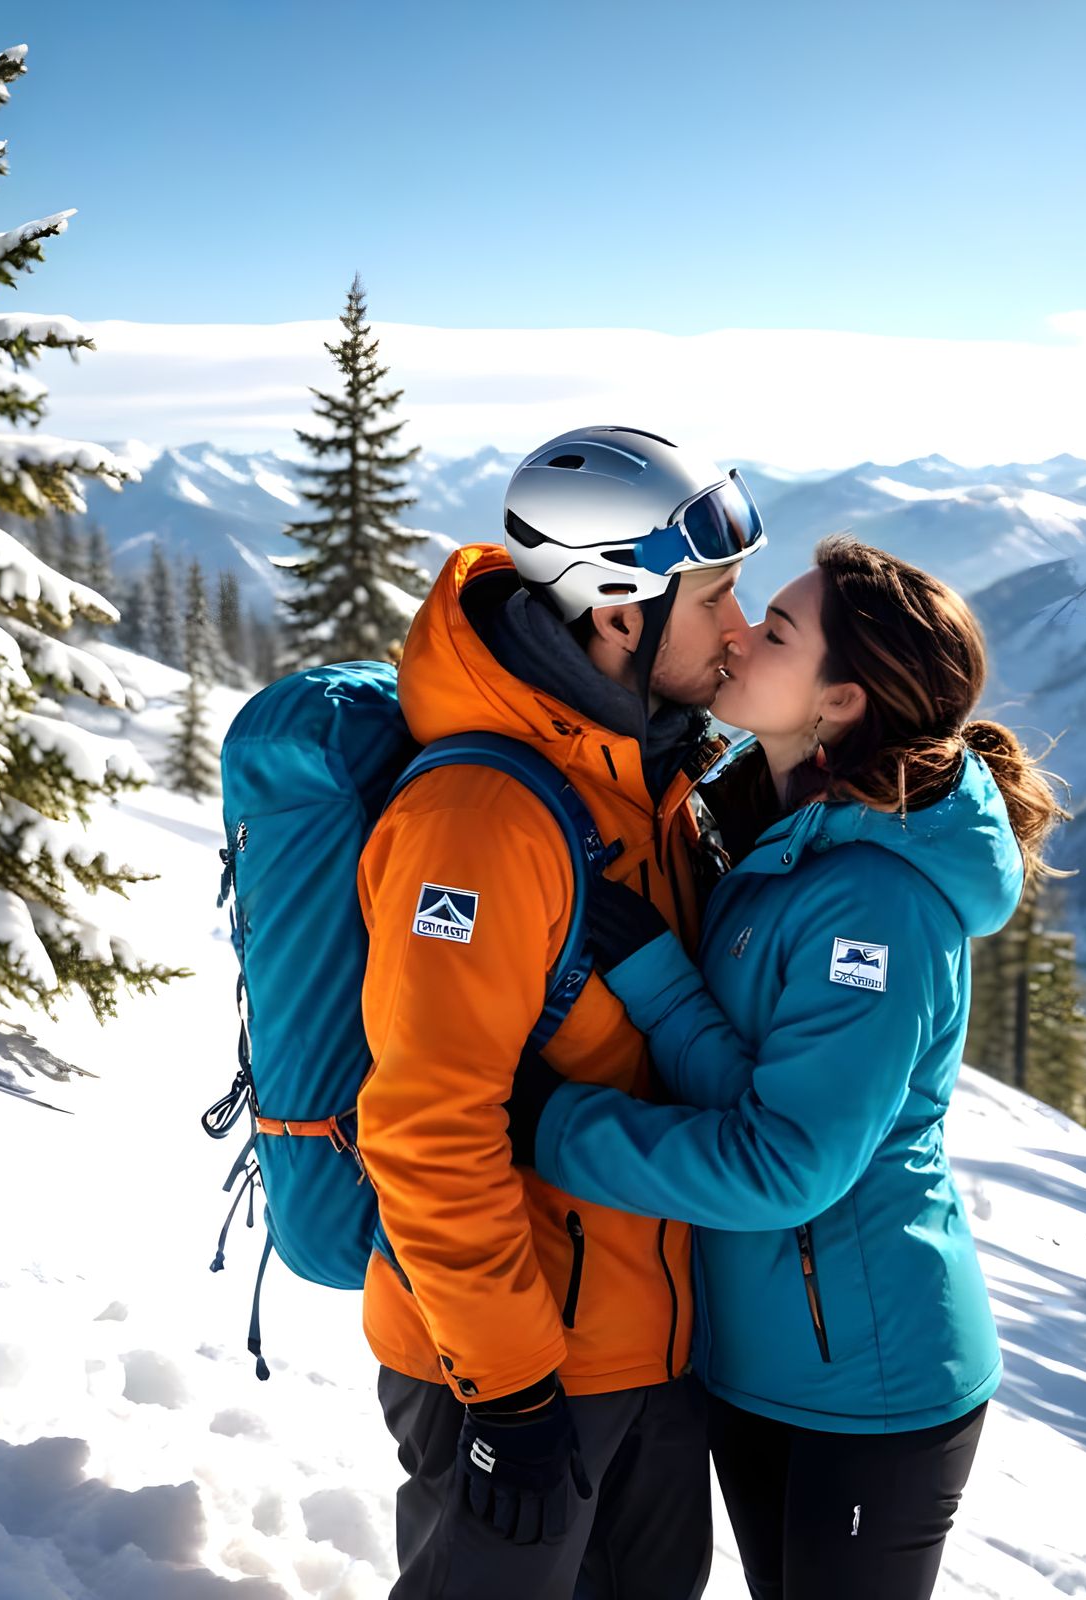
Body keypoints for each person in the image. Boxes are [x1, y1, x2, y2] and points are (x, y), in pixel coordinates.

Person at [506, 535, 1068, 1600]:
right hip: (766, 1359)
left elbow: (784, 1164)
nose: (739, 634)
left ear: (838, 703)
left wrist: (548, 1127)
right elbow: (755, 1088)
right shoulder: (776, 838)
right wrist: (660, 981)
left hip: (870, 1384)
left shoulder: (873, 901)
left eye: (776, 632)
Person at [355, 425, 766, 1599]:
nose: (740, 630)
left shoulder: (639, 773)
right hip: (516, 1367)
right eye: (715, 598)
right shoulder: (481, 820)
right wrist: (511, 1390)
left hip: (645, 1347)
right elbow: (426, 1125)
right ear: (620, 613)